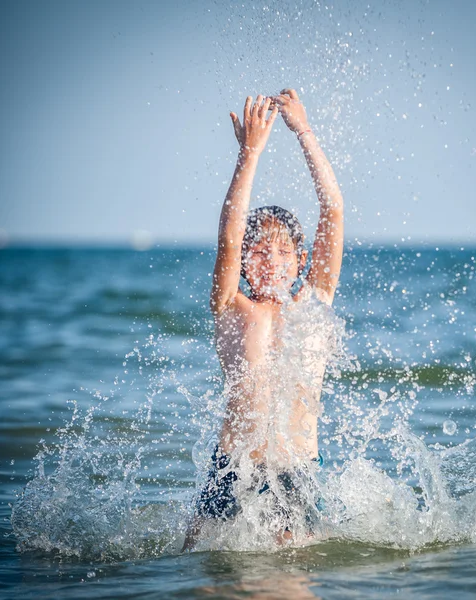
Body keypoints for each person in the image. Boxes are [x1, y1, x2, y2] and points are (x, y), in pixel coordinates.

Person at [183, 89, 343, 550]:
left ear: (301, 261)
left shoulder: (313, 305)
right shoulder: (232, 308)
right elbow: (228, 236)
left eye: (283, 251)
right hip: (233, 465)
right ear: (245, 263)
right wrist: (249, 153)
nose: (271, 259)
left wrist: (304, 132)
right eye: (259, 250)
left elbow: (332, 209)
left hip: (295, 471)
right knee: (199, 568)